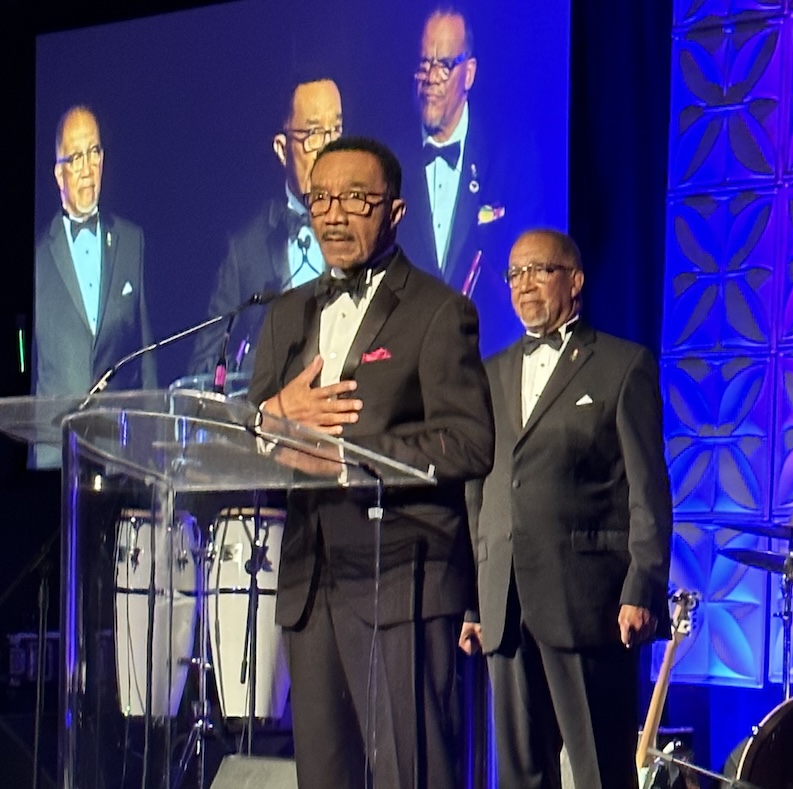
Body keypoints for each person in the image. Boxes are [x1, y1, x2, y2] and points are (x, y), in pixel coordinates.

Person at [247, 135, 494, 789]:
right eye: (321, 198)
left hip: (404, 583)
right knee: (324, 775)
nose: (334, 214)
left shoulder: (440, 312)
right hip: (310, 579)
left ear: (396, 210)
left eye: (356, 198)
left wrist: (351, 461)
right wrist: (272, 414)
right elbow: (254, 430)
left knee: (414, 773)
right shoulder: (284, 316)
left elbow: (470, 441)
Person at [459, 229, 673, 789]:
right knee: (520, 774)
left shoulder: (623, 366)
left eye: (539, 271)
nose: (524, 285)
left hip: (589, 602)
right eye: (514, 274)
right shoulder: (492, 371)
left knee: (599, 772)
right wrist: (471, 602)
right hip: (503, 601)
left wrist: (642, 587)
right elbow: (478, 490)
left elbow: (648, 489)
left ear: (574, 280)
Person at [395, 5, 537, 357]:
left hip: (490, 361)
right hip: (411, 370)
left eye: (443, 65)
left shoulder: (511, 157)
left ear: (469, 73)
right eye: (423, 64)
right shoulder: (391, 162)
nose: (430, 77)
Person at [189, 77, 343, 376]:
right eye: (313, 134)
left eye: (335, 131)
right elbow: (203, 370)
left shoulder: (367, 230)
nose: (328, 151)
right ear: (282, 149)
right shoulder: (245, 249)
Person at [33, 105, 156, 466]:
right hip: (55, 455)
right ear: (59, 173)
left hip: (120, 452)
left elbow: (146, 353)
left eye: (95, 152)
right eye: (76, 157)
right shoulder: (38, 259)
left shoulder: (132, 241)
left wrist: (149, 449)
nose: (87, 169)